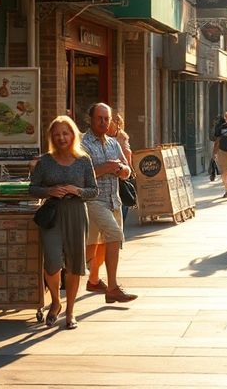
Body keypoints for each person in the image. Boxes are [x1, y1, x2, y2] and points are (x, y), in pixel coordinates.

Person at [29, 116, 98, 329]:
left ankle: (70, 312)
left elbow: (94, 190)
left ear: (73, 135)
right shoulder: (45, 162)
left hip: (76, 213)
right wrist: (49, 191)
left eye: (65, 133)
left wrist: (78, 191)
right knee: (52, 262)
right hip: (52, 214)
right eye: (57, 134)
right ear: (52, 137)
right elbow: (32, 188)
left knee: (75, 263)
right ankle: (56, 302)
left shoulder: (83, 160)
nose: (61, 138)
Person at [81, 103, 137, 303]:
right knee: (114, 235)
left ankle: (93, 280)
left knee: (98, 245)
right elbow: (80, 175)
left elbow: (127, 170)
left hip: (114, 200)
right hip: (93, 200)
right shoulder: (83, 144)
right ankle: (112, 288)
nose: (104, 122)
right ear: (90, 119)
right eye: (100, 118)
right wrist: (105, 168)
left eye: (107, 119)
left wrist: (122, 170)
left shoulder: (113, 143)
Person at [109, 113, 133, 222]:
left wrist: (128, 168)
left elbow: (127, 154)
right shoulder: (107, 137)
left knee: (121, 204)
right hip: (113, 175)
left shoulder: (121, 137)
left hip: (120, 175)